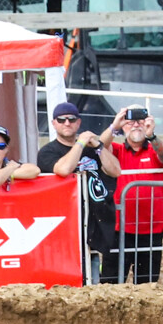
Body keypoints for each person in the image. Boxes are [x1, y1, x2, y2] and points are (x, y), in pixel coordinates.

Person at [40, 102, 114, 283]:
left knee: (92, 269)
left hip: (94, 219)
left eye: (71, 119)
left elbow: (115, 170)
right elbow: (64, 169)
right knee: (66, 278)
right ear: (53, 123)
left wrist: (98, 146)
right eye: (62, 119)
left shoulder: (92, 149)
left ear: (79, 123)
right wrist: (80, 143)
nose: (67, 123)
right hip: (64, 223)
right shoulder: (47, 151)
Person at [104, 106, 163, 284]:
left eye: (140, 120)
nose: (136, 125)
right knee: (110, 285)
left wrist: (152, 135)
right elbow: (99, 147)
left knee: (147, 286)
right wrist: (114, 126)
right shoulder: (116, 149)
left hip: (151, 230)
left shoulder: (153, 148)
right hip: (119, 230)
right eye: (130, 121)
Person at [0, 124, 40, 188]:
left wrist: (0, 173)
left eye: (1, 146)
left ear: (6, 149)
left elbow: (35, 170)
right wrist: (10, 168)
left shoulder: (8, 164)